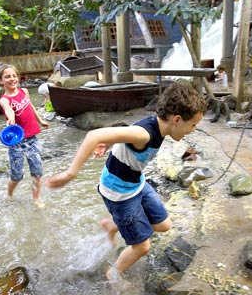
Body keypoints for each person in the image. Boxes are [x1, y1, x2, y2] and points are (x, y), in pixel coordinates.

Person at [45, 83, 207, 280]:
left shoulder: (159, 127)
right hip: (119, 193)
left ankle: (114, 226)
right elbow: (93, 135)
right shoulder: (144, 134)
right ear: (177, 119)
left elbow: (126, 134)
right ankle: (114, 273)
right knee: (142, 246)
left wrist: (111, 142)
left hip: (136, 183)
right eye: (193, 125)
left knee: (164, 225)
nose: (193, 130)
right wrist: (70, 173)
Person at [0, 64, 49, 206]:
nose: (12, 79)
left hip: (32, 139)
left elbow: (30, 106)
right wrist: (10, 118)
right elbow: (9, 109)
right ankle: (9, 194)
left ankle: (36, 199)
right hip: (16, 142)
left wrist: (40, 120)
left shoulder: (24, 91)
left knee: (37, 171)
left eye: (14, 76)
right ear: (1, 81)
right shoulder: (4, 99)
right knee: (17, 175)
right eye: (7, 77)